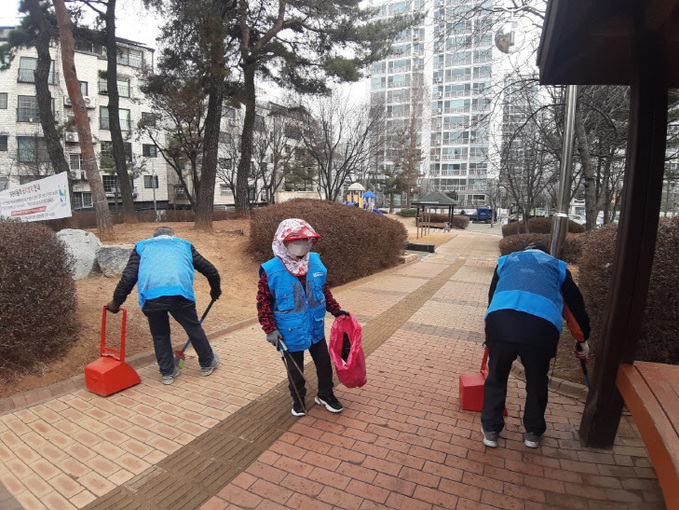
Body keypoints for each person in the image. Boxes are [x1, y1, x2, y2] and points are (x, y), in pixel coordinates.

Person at [481, 242, 590, 449]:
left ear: (525, 251)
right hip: (540, 329)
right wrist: (582, 339)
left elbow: (493, 296)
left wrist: (490, 329)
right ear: (546, 254)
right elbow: (574, 307)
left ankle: (491, 431)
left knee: (496, 377)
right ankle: (533, 432)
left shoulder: (506, 262)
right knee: (537, 381)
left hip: (501, 323)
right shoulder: (557, 267)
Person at [257, 218, 349, 417]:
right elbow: (263, 302)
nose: (302, 245)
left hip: (315, 326)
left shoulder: (315, 262)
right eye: (296, 241)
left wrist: (336, 310)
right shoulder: (271, 269)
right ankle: (298, 398)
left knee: (324, 363)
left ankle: (326, 394)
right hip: (288, 331)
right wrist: (270, 329)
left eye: (306, 240)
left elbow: (323, 290)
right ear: (283, 242)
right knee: (295, 368)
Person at [106, 226, 222, 385]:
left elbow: (128, 278)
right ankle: (207, 363)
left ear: (154, 237)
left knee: (160, 334)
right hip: (179, 294)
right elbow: (211, 271)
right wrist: (215, 291)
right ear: (172, 236)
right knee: (193, 328)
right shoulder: (184, 245)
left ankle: (167, 372)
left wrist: (115, 303)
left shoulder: (142, 247)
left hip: (151, 296)